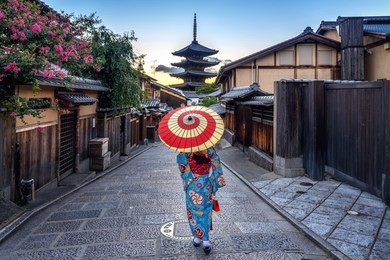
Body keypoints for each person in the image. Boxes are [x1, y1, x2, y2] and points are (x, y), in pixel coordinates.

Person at [176, 146, 225, 254]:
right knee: (199, 210)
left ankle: (202, 238)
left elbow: (181, 164)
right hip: (199, 183)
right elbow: (216, 161)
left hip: (198, 182)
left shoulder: (186, 148)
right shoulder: (208, 147)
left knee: (199, 210)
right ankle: (201, 238)